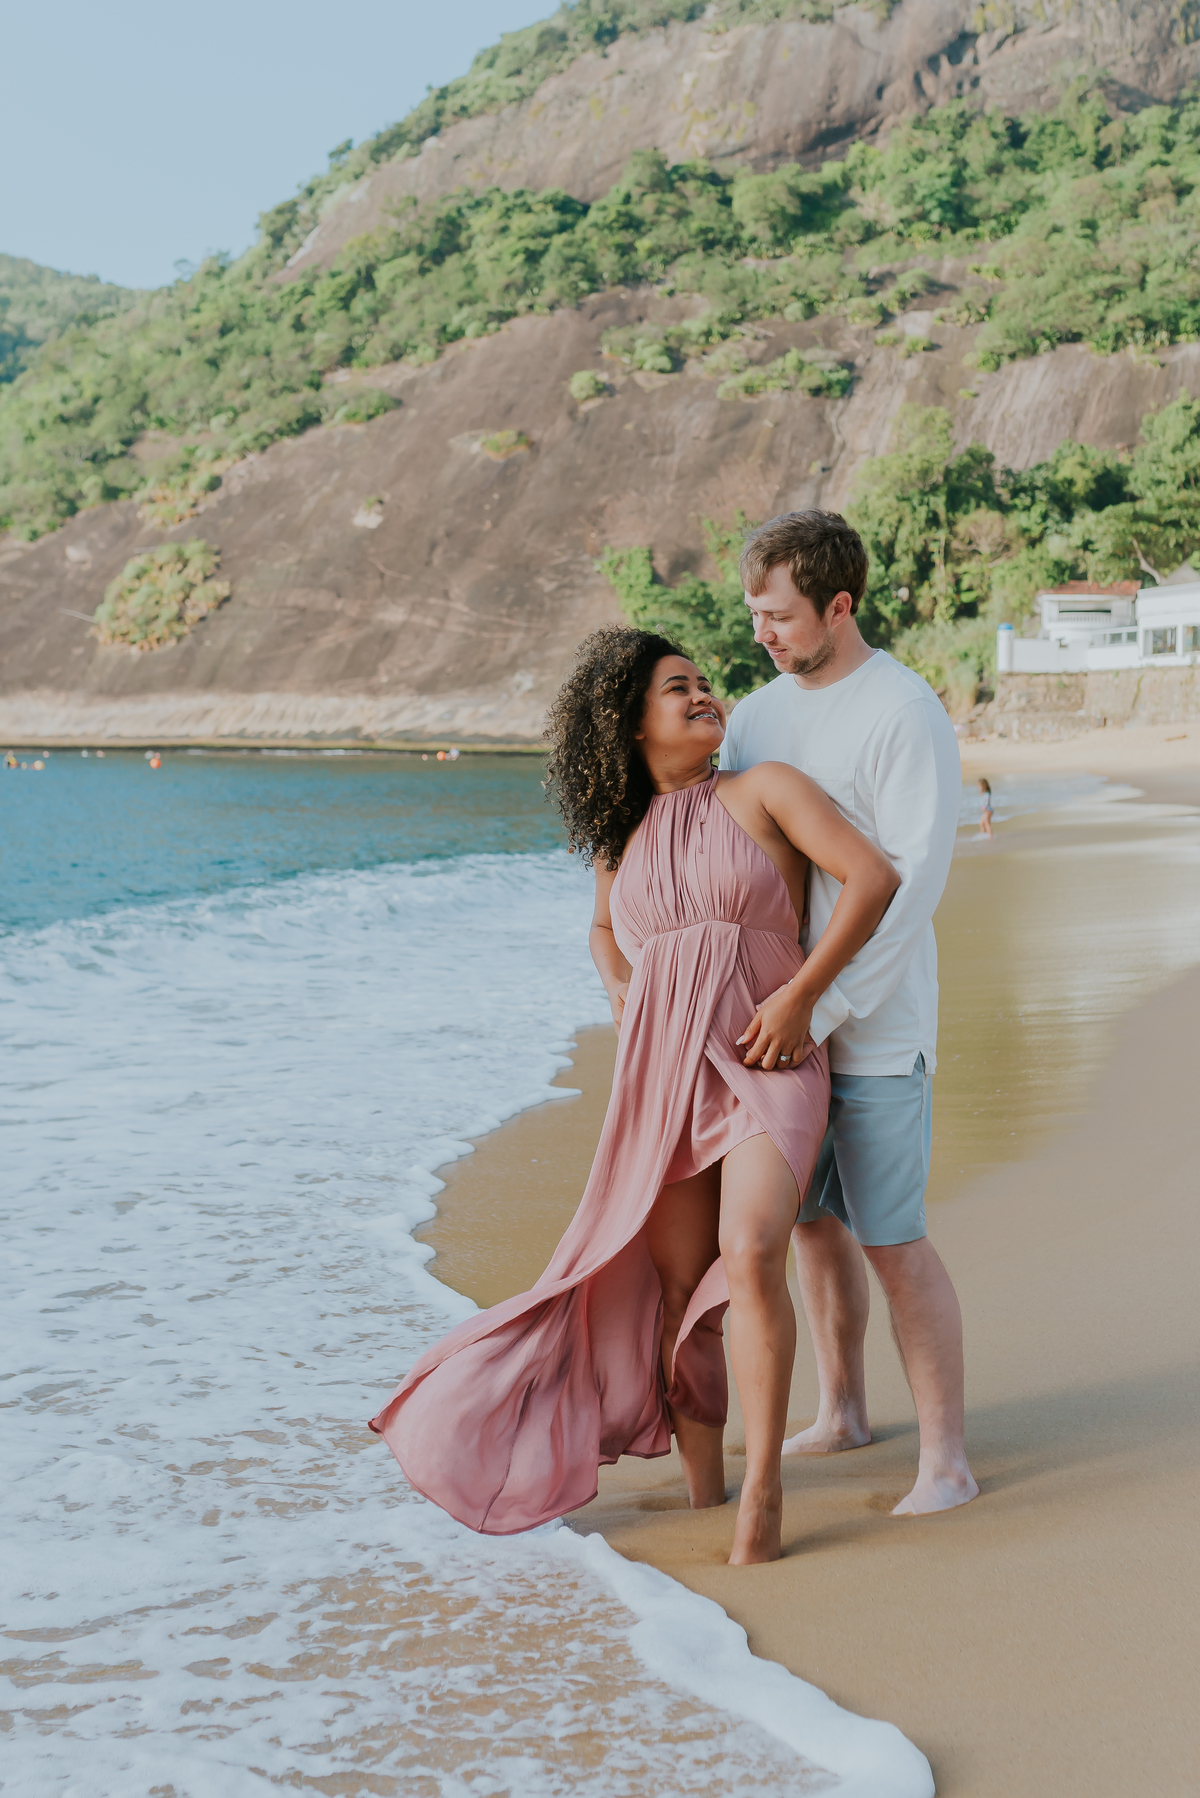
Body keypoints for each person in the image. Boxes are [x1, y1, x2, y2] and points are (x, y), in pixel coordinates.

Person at [370, 626, 898, 1563]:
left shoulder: (763, 790)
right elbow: (604, 929)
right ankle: (703, 1490)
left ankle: (762, 1492)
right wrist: (622, 983)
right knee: (671, 1284)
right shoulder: (622, 837)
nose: (702, 695)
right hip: (666, 1069)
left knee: (750, 1250)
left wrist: (802, 997)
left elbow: (873, 878)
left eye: (702, 682)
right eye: (675, 688)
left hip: (768, 1056)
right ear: (630, 723)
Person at [721, 510, 979, 1516]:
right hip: (784, 1022)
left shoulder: (902, 709)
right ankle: (843, 1409)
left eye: (781, 615)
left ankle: (947, 1461)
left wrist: (818, 1005)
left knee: (891, 1234)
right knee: (814, 1223)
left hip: (869, 1023)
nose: (765, 635)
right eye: (754, 616)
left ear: (839, 604)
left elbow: (912, 884)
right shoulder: (753, 715)